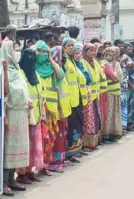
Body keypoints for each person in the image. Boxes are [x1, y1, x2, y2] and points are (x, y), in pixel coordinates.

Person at [0, 39, 31, 196]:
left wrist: (28, 100)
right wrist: (4, 116)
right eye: (13, 49)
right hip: (11, 113)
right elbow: (5, 94)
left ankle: (12, 179)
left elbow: (24, 88)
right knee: (9, 148)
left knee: (17, 148)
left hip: (21, 113)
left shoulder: (17, 70)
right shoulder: (3, 70)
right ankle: (4, 182)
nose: (16, 52)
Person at [33, 41, 67, 174]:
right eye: (41, 52)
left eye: (46, 52)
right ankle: (42, 165)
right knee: (42, 138)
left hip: (52, 109)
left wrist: (51, 61)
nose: (44, 55)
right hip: (39, 110)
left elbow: (61, 75)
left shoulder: (52, 69)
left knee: (51, 137)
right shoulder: (34, 68)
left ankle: (49, 164)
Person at [18, 48, 47, 183]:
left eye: (32, 57)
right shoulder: (20, 74)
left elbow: (41, 94)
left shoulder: (36, 74)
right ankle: (21, 173)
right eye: (27, 57)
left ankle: (30, 171)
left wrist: (42, 113)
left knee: (34, 146)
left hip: (36, 115)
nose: (30, 60)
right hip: (25, 115)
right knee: (25, 147)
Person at [61, 38, 84, 164]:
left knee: (75, 127)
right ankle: (66, 154)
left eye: (72, 45)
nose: (71, 47)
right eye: (68, 45)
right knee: (68, 129)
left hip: (76, 100)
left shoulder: (72, 62)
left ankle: (72, 153)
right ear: (63, 47)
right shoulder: (64, 61)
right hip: (68, 101)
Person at [77, 43, 101, 152]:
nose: (92, 53)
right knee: (87, 120)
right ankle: (86, 144)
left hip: (95, 94)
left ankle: (93, 142)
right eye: (90, 51)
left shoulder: (94, 62)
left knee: (94, 119)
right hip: (86, 95)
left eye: (93, 51)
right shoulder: (82, 63)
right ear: (84, 52)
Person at [102, 46, 124, 142]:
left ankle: (114, 133)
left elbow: (120, 78)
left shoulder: (116, 64)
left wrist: (116, 73)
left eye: (112, 54)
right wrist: (116, 73)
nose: (111, 56)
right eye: (108, 54)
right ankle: (106, 134)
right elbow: (115, 77)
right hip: (109, 92)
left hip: (116, 91)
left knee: (115, 112)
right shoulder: (105, 64)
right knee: (109, 113)